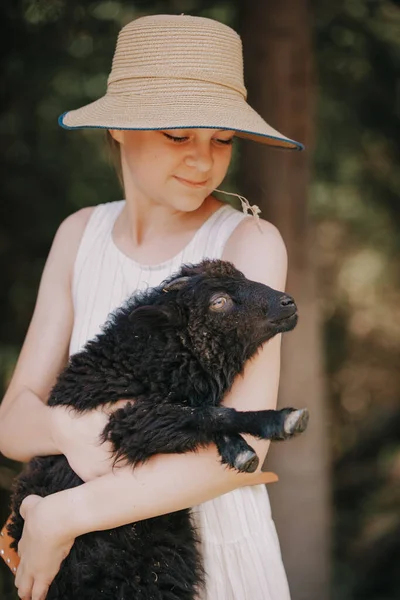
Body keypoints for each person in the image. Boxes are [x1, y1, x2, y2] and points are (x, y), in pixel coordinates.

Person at [0, 13, 303, 600]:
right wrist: (74, 429)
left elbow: (240, 453)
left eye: (222, 139)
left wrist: (62, 517)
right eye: (177, 134)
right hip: (97, 569)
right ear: (118, 127)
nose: (203, 159)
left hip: (210, 555)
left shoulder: (247, 245)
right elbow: (12, 423)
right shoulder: (78, 236)